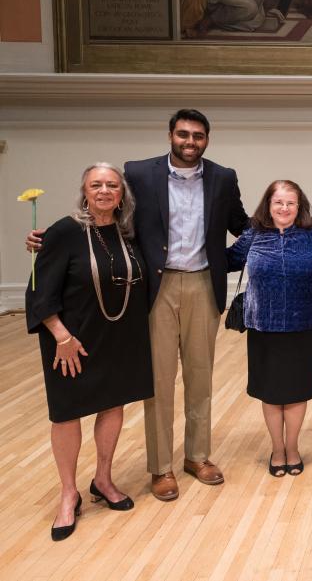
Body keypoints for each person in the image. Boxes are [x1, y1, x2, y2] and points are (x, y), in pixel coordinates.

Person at [28, 110, 249, 501]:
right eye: (183, 134)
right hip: (156, 288)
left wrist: (254, 245)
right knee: (158, 382)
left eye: (198, 135)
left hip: (203, 284)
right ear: (170, 135)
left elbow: (242, 225)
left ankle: (197, 456)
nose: (190, 141)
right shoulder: (140, 173)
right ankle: (161, 467)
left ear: (207, 140)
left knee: (201, 378)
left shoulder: (223, 177)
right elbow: (111, 217)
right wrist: (50, 237)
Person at [25, 163, 154, 541]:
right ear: (84, 190)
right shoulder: (64, 232)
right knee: (66, 414)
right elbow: (39, 293)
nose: (104, 191)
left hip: (119, 338)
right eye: (96, 184)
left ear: (122, 193)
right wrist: (61, 336)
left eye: (112, 185)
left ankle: (103, 479)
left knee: (112, 406)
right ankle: (69, 493)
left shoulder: (128, 233)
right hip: (72, 343)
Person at [227, 180, 312, 477]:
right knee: (271, 393)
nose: (284, 208)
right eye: (278, 202)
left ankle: (292, 448)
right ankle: (277, 448)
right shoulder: (253, 235)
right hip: (263, 327)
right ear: (268, 205)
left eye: (290, 203)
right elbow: (226, 262)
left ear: (299, 207)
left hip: (303, 325)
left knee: (296, 392)